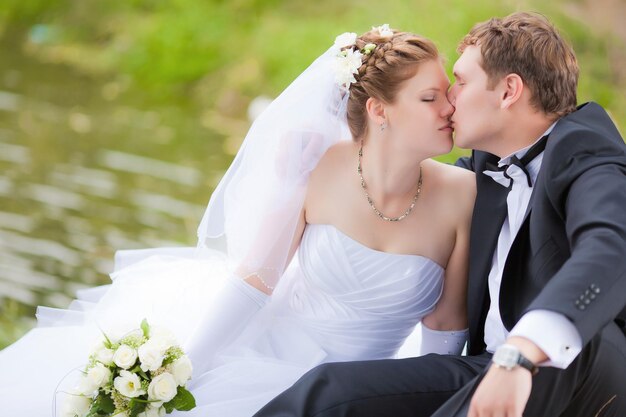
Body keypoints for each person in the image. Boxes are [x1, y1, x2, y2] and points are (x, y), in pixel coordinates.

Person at [0, 26, 476, 416]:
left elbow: (445, 326)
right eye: (431, 98)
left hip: (370, 391)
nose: (450, 108)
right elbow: (253, 284)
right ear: (379, 111)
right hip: (269, 357)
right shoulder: (318, 165)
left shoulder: (462, 195)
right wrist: (178, 376)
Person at [254, 12, 626, 417]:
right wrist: (329, 155)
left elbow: (611, 250)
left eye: (461, 83)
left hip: (564, 370)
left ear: (508, 91)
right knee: (326, 391)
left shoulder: (589, 155)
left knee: (571, 347)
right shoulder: (489, 166)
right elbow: (411, 181)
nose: (451, 101)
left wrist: (523, 351)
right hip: (483, 365)